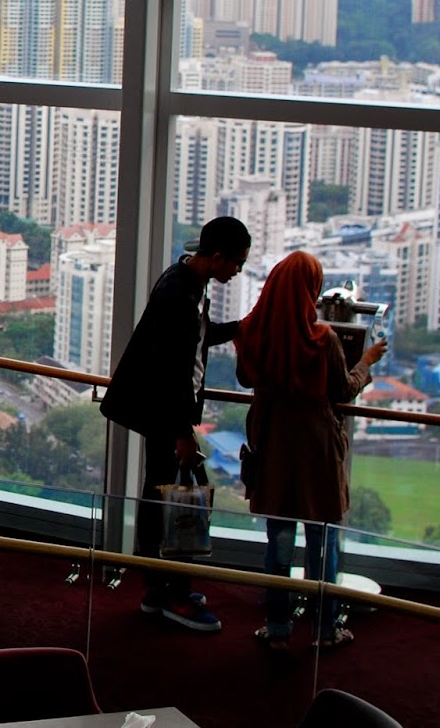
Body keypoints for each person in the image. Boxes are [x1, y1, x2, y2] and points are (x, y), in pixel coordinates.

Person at [101, 215, 250, 632]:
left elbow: (196, 339)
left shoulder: (185, 280)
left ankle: (159, 588)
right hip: (168, 415)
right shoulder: (179, 295)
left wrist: (237, 329)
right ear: (216, 257)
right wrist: (183, 433)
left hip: (163, 412)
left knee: (161, 495)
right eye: (236, 263)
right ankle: (172, 592)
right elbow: (173, 371)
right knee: (178, 501)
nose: (237, 271)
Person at [235, 250, 384, 651]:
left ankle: (277, 627)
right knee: (321, 539)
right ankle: (324, 628)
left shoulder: (252, 332)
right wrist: (366, 361)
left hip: (271, 441)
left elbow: (245, 377)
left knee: (279, 540)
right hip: (316, 447)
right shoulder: (322, 339)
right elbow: (343, 390)